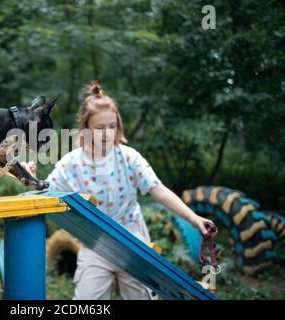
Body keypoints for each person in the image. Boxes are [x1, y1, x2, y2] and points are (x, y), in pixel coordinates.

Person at [21, 81, 216, 300]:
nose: (107, 134)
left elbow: (158, 190)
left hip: (133, 240)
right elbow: (46, 191)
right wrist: (30, 176)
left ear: (118, 126)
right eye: (100, 128)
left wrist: (193, 218)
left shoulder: (129, 157)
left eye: (111, 127)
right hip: (94, 242)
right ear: (86, 128)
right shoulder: (71, 163)